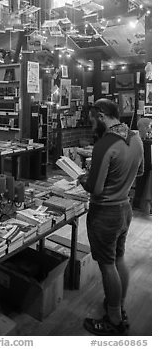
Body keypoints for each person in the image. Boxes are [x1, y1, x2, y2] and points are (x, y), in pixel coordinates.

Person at [78, 98, 144, 336]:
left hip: (105, 212)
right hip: (125, 208)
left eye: (92, 118)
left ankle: (114, 319)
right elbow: (140, 170)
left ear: (102, 115)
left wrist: (82, 178)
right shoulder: (135, 138)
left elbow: (95, 188)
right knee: (119, 259)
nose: (91, 123)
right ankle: (119, 306)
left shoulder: (105, 144)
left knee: (107, 267)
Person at [132, 117, 152, 214]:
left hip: (147, 165)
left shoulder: (146, 140)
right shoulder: (138, 140)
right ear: (143, 127)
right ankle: (137, 204)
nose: (150, 129)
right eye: (148, 126)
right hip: (141, 166)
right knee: (140, 184)